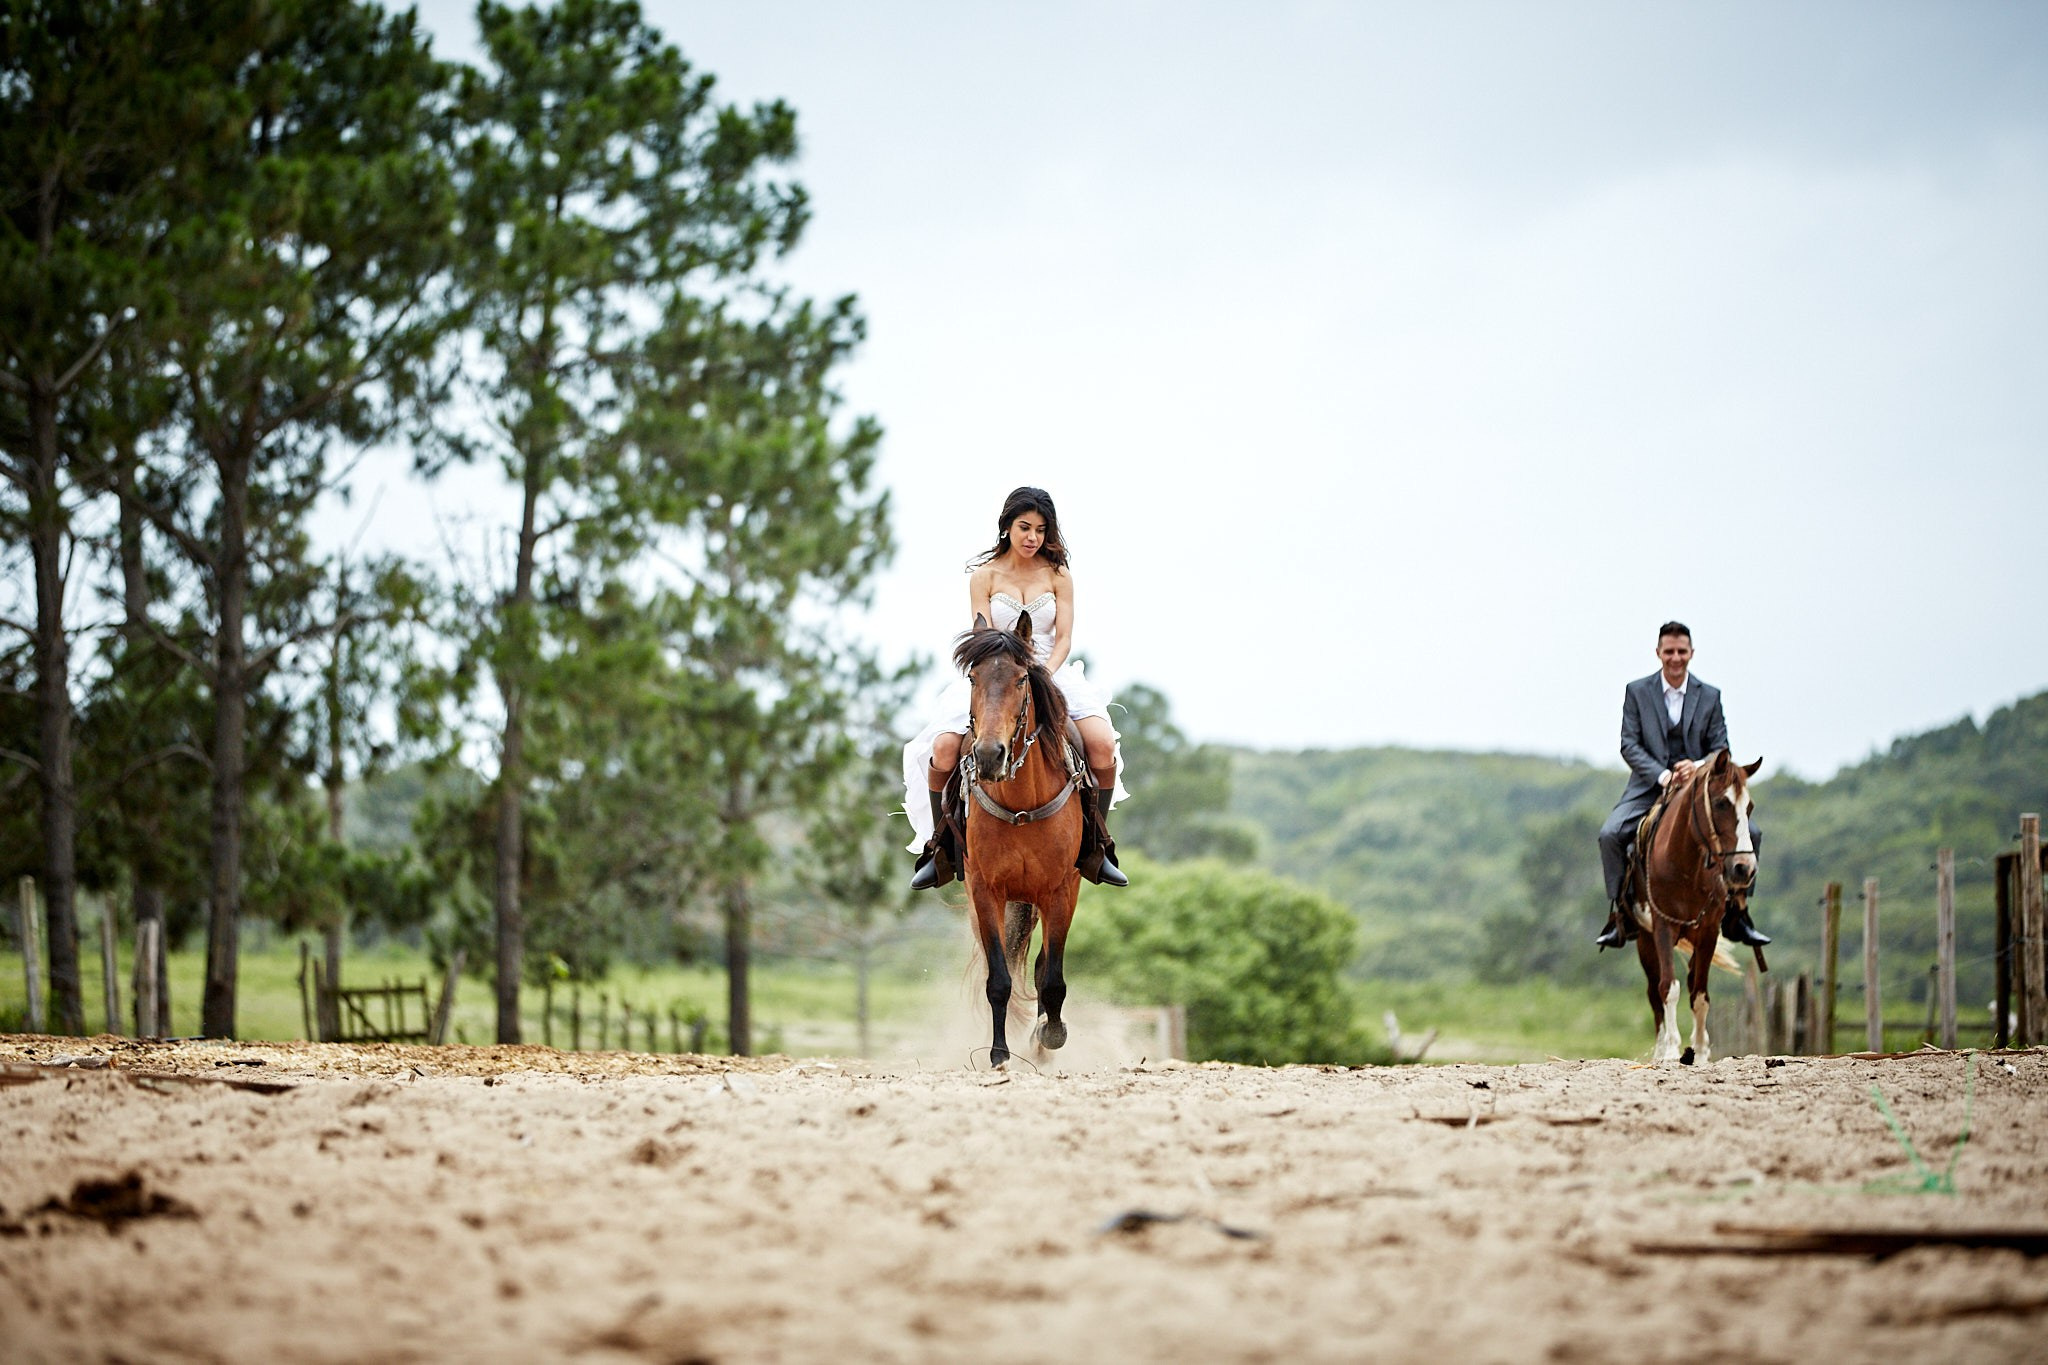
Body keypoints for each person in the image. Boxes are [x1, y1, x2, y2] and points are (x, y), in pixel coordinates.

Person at [903, 487, 1128, 890]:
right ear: (1007, 527)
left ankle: (1096, 848)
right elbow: (984, 634)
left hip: (1049, 669)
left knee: (1102, 745)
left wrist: (1044, 673)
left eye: (1041, 530)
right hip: (995, 673)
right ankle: (940, 851)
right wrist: (1005, 672)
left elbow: (1063, 639)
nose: (1033, 537)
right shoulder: (984, 577)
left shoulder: (1058, 575)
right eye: (1025, 527)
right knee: (942, 749)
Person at [1594, 621, 1770, 950]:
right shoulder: (1637, 692)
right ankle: (1620, 917)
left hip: (1700, 787)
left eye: (1682, 651)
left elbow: (1721, 747)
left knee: (1753, 833)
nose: (1676, 658)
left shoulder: (1711, 695)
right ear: (1658, 653)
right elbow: (1628, 745)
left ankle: (1738, 914)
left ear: (1691, 653)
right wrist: (1662, 775)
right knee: (1610, 835)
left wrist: (1699, 766)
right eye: (1669, 651)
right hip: (1649, 784)